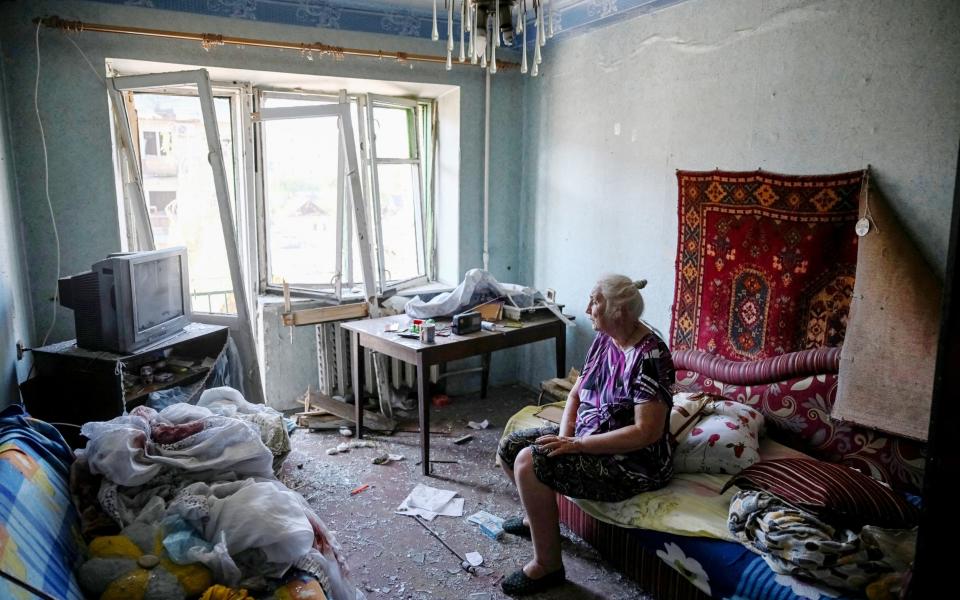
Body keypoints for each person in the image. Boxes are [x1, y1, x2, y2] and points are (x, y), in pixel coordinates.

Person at [497, 274, 676, 596]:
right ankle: (535, 520)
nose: (588, 308)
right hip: (587, 436)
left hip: (633, 460)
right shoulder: (606, 339)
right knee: (510, 447)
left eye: (595, 301)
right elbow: (576, 396)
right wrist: (566, 439)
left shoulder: (650, 356)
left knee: (529, 461)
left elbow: (645, 433)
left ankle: (548, 566)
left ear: (619, 311)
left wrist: (576, 445)